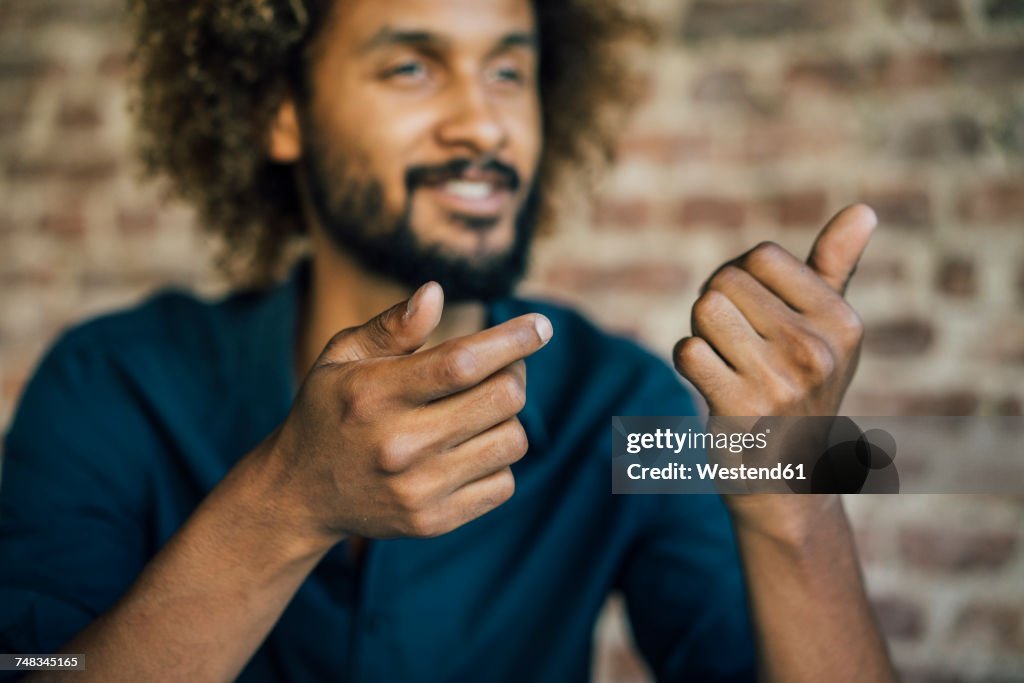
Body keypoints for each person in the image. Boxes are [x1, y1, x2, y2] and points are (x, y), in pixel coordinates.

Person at [0, 0, 896, 681]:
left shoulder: (625, 411)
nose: (482, 123)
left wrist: (798, 492)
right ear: (281, 109)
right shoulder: (109, 383)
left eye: (509, 71)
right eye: (412, 68)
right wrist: (285, 506)